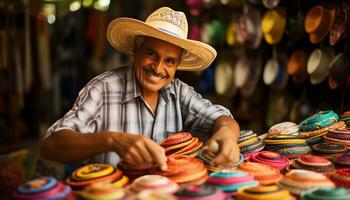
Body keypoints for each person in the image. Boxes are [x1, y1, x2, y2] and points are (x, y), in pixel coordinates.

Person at [41, 7, 240, 171]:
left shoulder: (178, 92)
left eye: (169, 61)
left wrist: (228, 134)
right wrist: (112, 140)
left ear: (177, 65)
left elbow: (223, 119)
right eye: (152, 54)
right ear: (136, 50)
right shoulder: (102, 89)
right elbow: (50, 146)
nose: (158, 68)